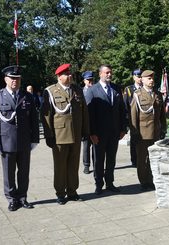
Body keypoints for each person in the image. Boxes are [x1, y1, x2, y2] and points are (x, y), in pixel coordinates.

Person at [0, 65, 39, 211]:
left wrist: (35, 139)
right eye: (12, 78)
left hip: (24, 141)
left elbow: (34, 120)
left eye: (17, 78)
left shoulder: (27, 96)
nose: (15, 81)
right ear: (5, 79)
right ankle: (12, 199)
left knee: (24, 172)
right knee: (9, 173)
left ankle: (22, 197)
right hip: (6, 142)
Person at [40, 63, 89, 205]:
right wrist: (49, 136)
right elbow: (46, 115)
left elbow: (84, 112)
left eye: (70, 73)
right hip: (60, 135)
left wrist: (86, 131)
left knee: (74, 165)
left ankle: (72, 191)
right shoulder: (50, 91)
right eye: (66, 74)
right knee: (60, 166)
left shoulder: (77, 90)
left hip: (76, 134)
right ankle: (60, 193)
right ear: (59, 77)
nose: (70, 76)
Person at [85, 64, 127, 195]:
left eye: (110, 73)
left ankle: (110, 183)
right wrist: (92, 133)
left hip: (114, 132)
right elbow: (89, 114)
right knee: (98, 160)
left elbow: (122, 110)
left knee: (111, 159)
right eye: (107, 73)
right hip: (99, 133)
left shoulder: (116, 88)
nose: (109, 75)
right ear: (100, 74)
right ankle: (99, 184)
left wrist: (123, 129)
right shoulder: (92, 90)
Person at [130, 70, 167, 191]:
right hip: (142, 133)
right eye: (149, 78)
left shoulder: (158, 94)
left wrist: (163, 129)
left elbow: (162, 114)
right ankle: (144, 181)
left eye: (152, 78)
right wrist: (135, 132)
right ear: (143, 80)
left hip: (155, 132)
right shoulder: (137, 94)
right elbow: (133, 115)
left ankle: (152, 180)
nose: (151, 80)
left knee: (154, 158)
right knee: (142, 159)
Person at [123, 68, 142, 167]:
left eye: (141, 76)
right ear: (134, 77)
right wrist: (126, 121)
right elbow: (125, 105)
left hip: (143, 118)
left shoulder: (145, 88)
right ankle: (134, 160)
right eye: (138, 77)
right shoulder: (129, 89)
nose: (140, 79)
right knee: (134, 139)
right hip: (133, 118)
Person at [81, 71, 95, 174]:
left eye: (91, 80)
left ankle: (96, 164)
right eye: (88, 80)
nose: (90, 81)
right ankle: (86, 165)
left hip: (96, 122)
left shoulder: (97, 90)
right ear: (84, 81)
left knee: (96, 145)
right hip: (86, 123)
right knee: (86, 146)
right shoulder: (81, 92)